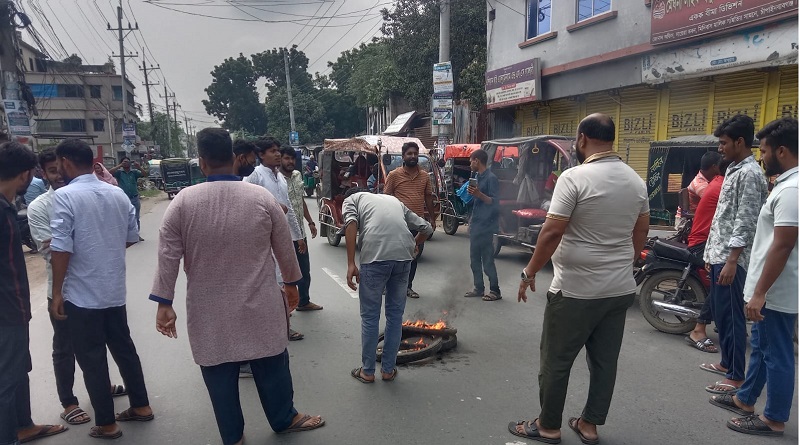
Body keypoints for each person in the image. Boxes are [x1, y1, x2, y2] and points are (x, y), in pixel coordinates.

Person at [150, 128, 324, 445]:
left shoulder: (182, 204)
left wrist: (164, 303)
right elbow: (285, 247)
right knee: (272, 362)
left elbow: (167, 255)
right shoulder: (261, 199)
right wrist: (292, 285)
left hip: (208, 310)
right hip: (261, 302)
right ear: (233, 159)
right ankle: (285, 418)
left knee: (218, 374)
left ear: (201, 164)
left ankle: (233, 437)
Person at [510, 114, 650, 444]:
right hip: (618, 291)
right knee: (604, 363)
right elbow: (641, 230)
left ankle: (548, 426)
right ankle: (589, 425)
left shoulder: (574, 178)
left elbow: (552, 231)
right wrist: (624, 262)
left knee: (556, 361)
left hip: (575, 291)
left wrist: (529, 272)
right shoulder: (635, 181)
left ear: (582, 139)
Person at [49, 139, 153, 440]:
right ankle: (141, 405)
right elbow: (132, 237)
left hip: (82, 294)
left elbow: (60, 247)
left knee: (91, 357)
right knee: (124, 349)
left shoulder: (66, 196)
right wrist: (106, 252)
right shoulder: (117, 193)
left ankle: (107, 423)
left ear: (66, 162)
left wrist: (57, 293)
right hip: (113, 289)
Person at [710, 117, 798, 436]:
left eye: (765, 150)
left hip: (776, 288)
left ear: (783, 151)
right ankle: (746, 399)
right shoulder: (785, 184)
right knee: (762, 346)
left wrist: (760, 292)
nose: (761, 156)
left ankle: (773, 418)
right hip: (768, 285)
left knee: (777, 353)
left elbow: (784, 244)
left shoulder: (792, 190)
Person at [27, 149, 128, 427]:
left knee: (99, 344)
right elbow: (50, 250)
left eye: (60, 168)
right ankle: (68, 402)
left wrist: (76, 242)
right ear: (43, 174)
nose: (58, 175)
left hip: (95, 287)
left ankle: (103, 390)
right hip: (62, 289)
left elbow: (87, 241)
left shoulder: (86, 195)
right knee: (65, 348)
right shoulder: (39, 207)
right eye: (51, 171)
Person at [0, 142, 68, 445]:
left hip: (12, 307)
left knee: (17, 370)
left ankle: (23, 425)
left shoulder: (8, 206)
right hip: (6, 310)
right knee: (6, 378)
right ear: (28, 174)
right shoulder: (3, 211)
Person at [700, 115, 768, 395]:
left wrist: (730, 259)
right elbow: (722, 217)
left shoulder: (751, 174)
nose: (720, 148)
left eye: (724, 143)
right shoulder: (733, 169)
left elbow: (745, 220)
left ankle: (737, 375)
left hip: (734, 260)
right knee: (721, 313)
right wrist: (710, 251)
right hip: (719, 254)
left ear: (740, 142)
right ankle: (727, 363)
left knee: (732, 317)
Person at [343, 188, 432, 383]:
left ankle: (367, 372)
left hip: (374, 259)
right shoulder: (393, 201)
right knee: (394, 316)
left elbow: (350, 223)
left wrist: (351, 263)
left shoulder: (351, 200)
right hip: (403, 258)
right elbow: (427, 228)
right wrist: (415, 244)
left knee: (370, 317)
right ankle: (388, 370)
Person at [244, 137, 305, 341]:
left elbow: (289, 208)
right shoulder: (254, 176)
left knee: (283, 282)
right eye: (272, 151)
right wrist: (272, 208)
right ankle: (272, 327)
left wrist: (299, 236)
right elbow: (245, 202)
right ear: (261, 155)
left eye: (278, 150)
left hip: (282, 238)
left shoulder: (279, 177)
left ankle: (283, 325)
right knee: (272, 284)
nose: (277, 154)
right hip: (262, 239)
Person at [684, 153, 726, 354]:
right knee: (722, 278)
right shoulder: (718, 187)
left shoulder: (718, 183)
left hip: (707, 240)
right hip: (702, 243)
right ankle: (699, 328)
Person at [384, 142, 437, 299]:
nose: (413, 156)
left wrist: (432, 219)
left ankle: (408, 287)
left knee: (413, 255)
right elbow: (386, 199)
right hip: (398, 223)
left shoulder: (425, 176)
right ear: (403, 157)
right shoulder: (393, 175)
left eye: (415, 153)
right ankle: (388, 285)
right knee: (393, 256)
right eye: (409, 154)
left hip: (418, 223)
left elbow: (428, 198)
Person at [279, 147, 322, 311]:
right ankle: (285, 307)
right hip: (283, 235)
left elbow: (300, 201)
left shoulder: (297, 175)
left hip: (300, 232)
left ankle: (304, 301)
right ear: (280, 159)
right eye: (286, 158)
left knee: (305, 270)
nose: (290, 162)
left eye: (292, 158)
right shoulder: (276, 180)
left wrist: (310, 222)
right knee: (284, 273)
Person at [463, 149, 501, 301]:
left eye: (471, 161)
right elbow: (476, 203)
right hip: (477, 223)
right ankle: (479, 288)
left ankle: (495, 290)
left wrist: (479, 194)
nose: (470, 164)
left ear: (477, 160)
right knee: (474, 260)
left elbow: (495, 202)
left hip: (487, 225)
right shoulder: (476, 176)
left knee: (487, 260)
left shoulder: (491, 178)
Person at [675, 152, 720, 230]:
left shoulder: (709, 179)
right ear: (714, 167)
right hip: (688, 221)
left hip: (697, 217)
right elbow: (717, 202)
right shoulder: (700, 185)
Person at [109, 156, 147, 241]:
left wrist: (139, 167)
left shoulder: (134, 172)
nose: (126, 163)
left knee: (136, 217)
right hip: (123, 199)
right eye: (124, 162)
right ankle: (125, 236)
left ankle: (136, 235)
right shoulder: (119, 173)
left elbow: (145, 174)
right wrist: (119, 165)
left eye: (127, 162)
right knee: (124, 217)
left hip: (134, 197)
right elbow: (109, 173)